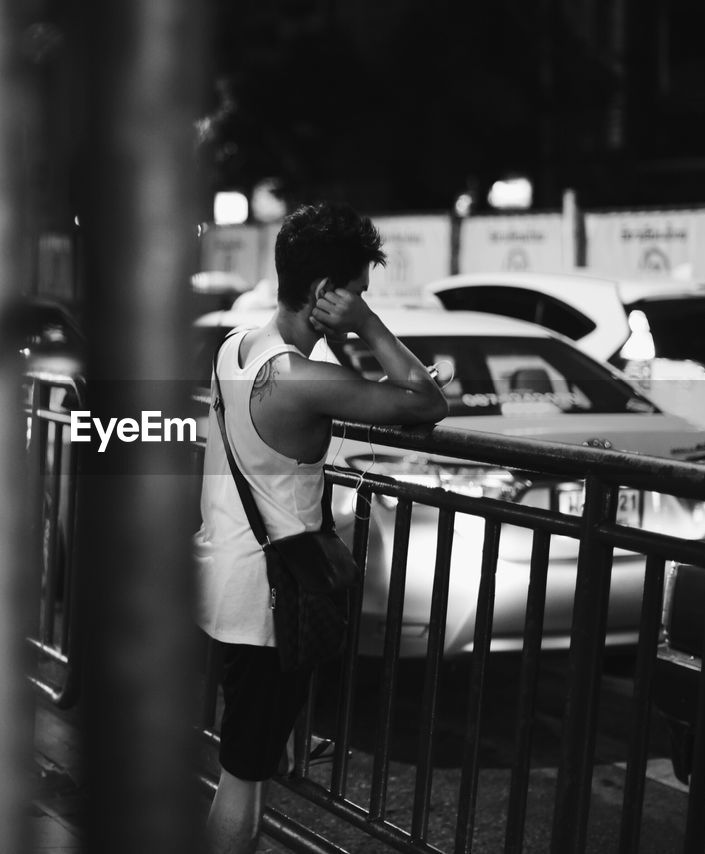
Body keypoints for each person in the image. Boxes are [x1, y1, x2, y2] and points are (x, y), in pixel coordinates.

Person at [194, 201, 450, 854]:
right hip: (268, 606)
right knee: (243, 777)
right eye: (356, 289)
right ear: (324, 293)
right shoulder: (302, 381)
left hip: (228, 580)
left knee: (249, 756)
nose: (362, 300)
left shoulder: (237, 346)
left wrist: (342, 330)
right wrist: (366, 323)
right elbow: (426, 398)